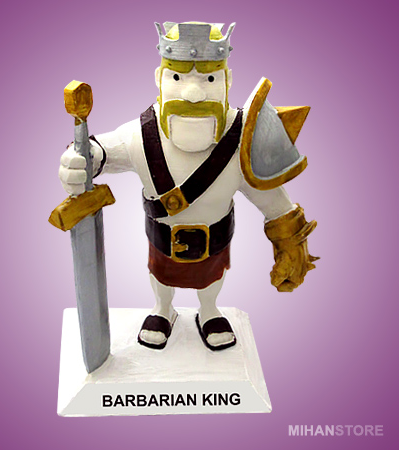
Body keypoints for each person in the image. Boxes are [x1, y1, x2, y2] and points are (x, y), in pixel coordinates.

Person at [58, 22, 318, 351]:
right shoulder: (140, 135)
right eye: (178, 78)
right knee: (160, 273)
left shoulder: (245, 140)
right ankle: (162, 308)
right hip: (162, 238)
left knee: (212, 276)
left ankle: (209, 310)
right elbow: (102, 152)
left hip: (216, 240)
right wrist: (81, 160)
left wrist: (290, 244)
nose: (193, 94)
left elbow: (274, 203)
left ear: (227, 80)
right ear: (159, 78)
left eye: (209, 79)